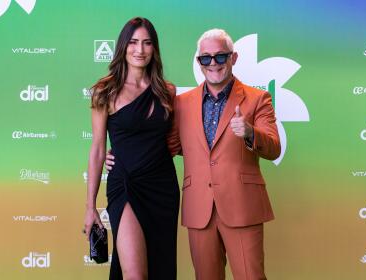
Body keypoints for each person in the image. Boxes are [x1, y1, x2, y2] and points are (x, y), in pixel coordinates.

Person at [107, 29, 280, 279]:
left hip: (242, 207)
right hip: (199, 211)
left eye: (221, 57)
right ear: (198, 62)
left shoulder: (257, 98)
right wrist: (124, 153)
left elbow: (274, 147)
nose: (213, 64)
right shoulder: (183, 102)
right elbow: (167, 145)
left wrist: (250, 132)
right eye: (205, 58)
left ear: (234, 58)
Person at [84, 17, 179, 280]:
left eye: (147, 43)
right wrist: (90, 207)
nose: (140, 50)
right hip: (125, 185)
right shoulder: (106, 91)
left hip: (162, 188)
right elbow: (98, 149)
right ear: (123, 46)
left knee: (161, 269)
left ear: (154, 49)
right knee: (135, 274)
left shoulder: (167, 92)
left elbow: (175, 141)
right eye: (134, 42)